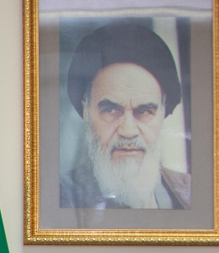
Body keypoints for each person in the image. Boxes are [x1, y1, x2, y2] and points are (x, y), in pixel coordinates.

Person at [60, 21, 191, 210]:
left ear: (163, 112)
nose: (128, 131)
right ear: (86, 111)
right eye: (111, 110)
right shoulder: (59, 198)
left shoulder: (192, 192)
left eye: (144, 111)